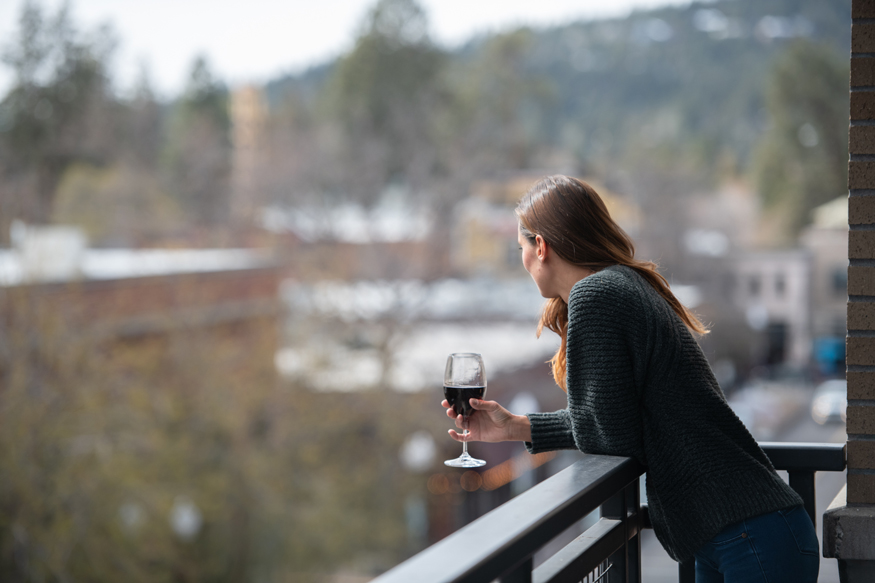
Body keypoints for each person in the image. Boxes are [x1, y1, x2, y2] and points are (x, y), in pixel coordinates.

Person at [441, 175, 819, 583]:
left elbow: (612, 435)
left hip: (748, 536)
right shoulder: (621, 286)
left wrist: (529, 428)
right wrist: (516, 427)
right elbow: (611, 420)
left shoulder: (595, 296)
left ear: (541, 247)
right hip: (740, 531)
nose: (522, 259)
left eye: (520, 248)